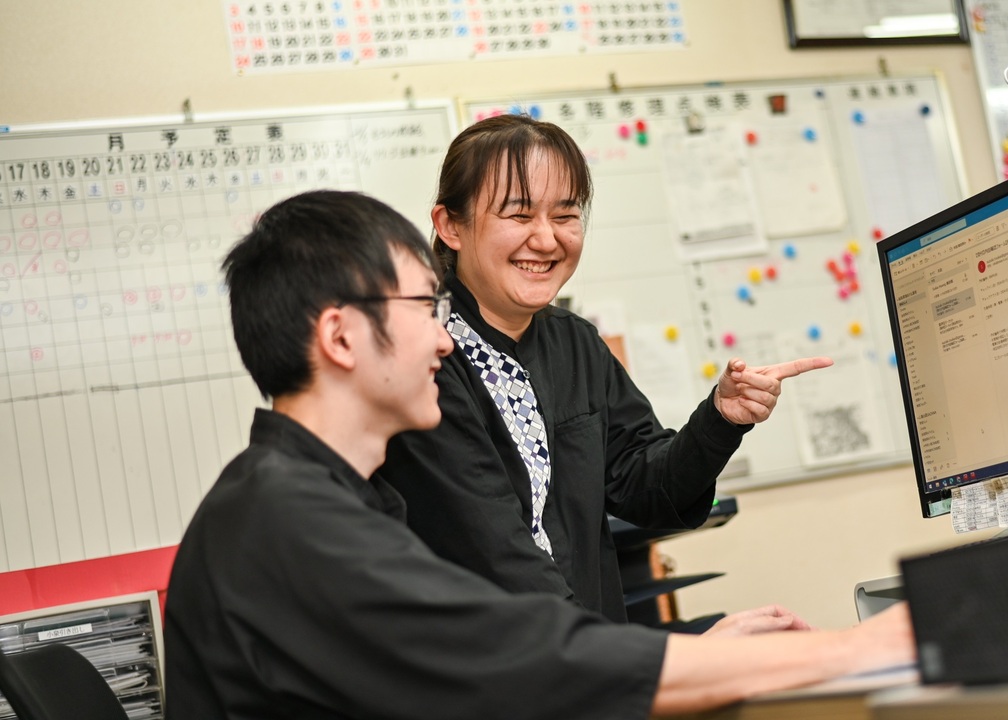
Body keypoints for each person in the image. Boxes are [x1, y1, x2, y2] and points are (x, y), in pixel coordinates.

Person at [162, 189, 915, 719]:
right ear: (340, 337)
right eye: (427, 307)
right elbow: (527, 658)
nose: (447, 337)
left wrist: (699, 649)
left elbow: (503, 654)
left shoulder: (312, 496)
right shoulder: (292, 522)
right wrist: (856, 650)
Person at [379, 114, 833, 621]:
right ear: (450, 226)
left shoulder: (575, 343)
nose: (547, 239)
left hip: (591, 662)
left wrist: (721, 418)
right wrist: (663, 657)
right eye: (519, 214)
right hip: (493, 673)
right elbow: (494, 554)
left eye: (566, 215)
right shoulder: (425, 357)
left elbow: (646, 487)